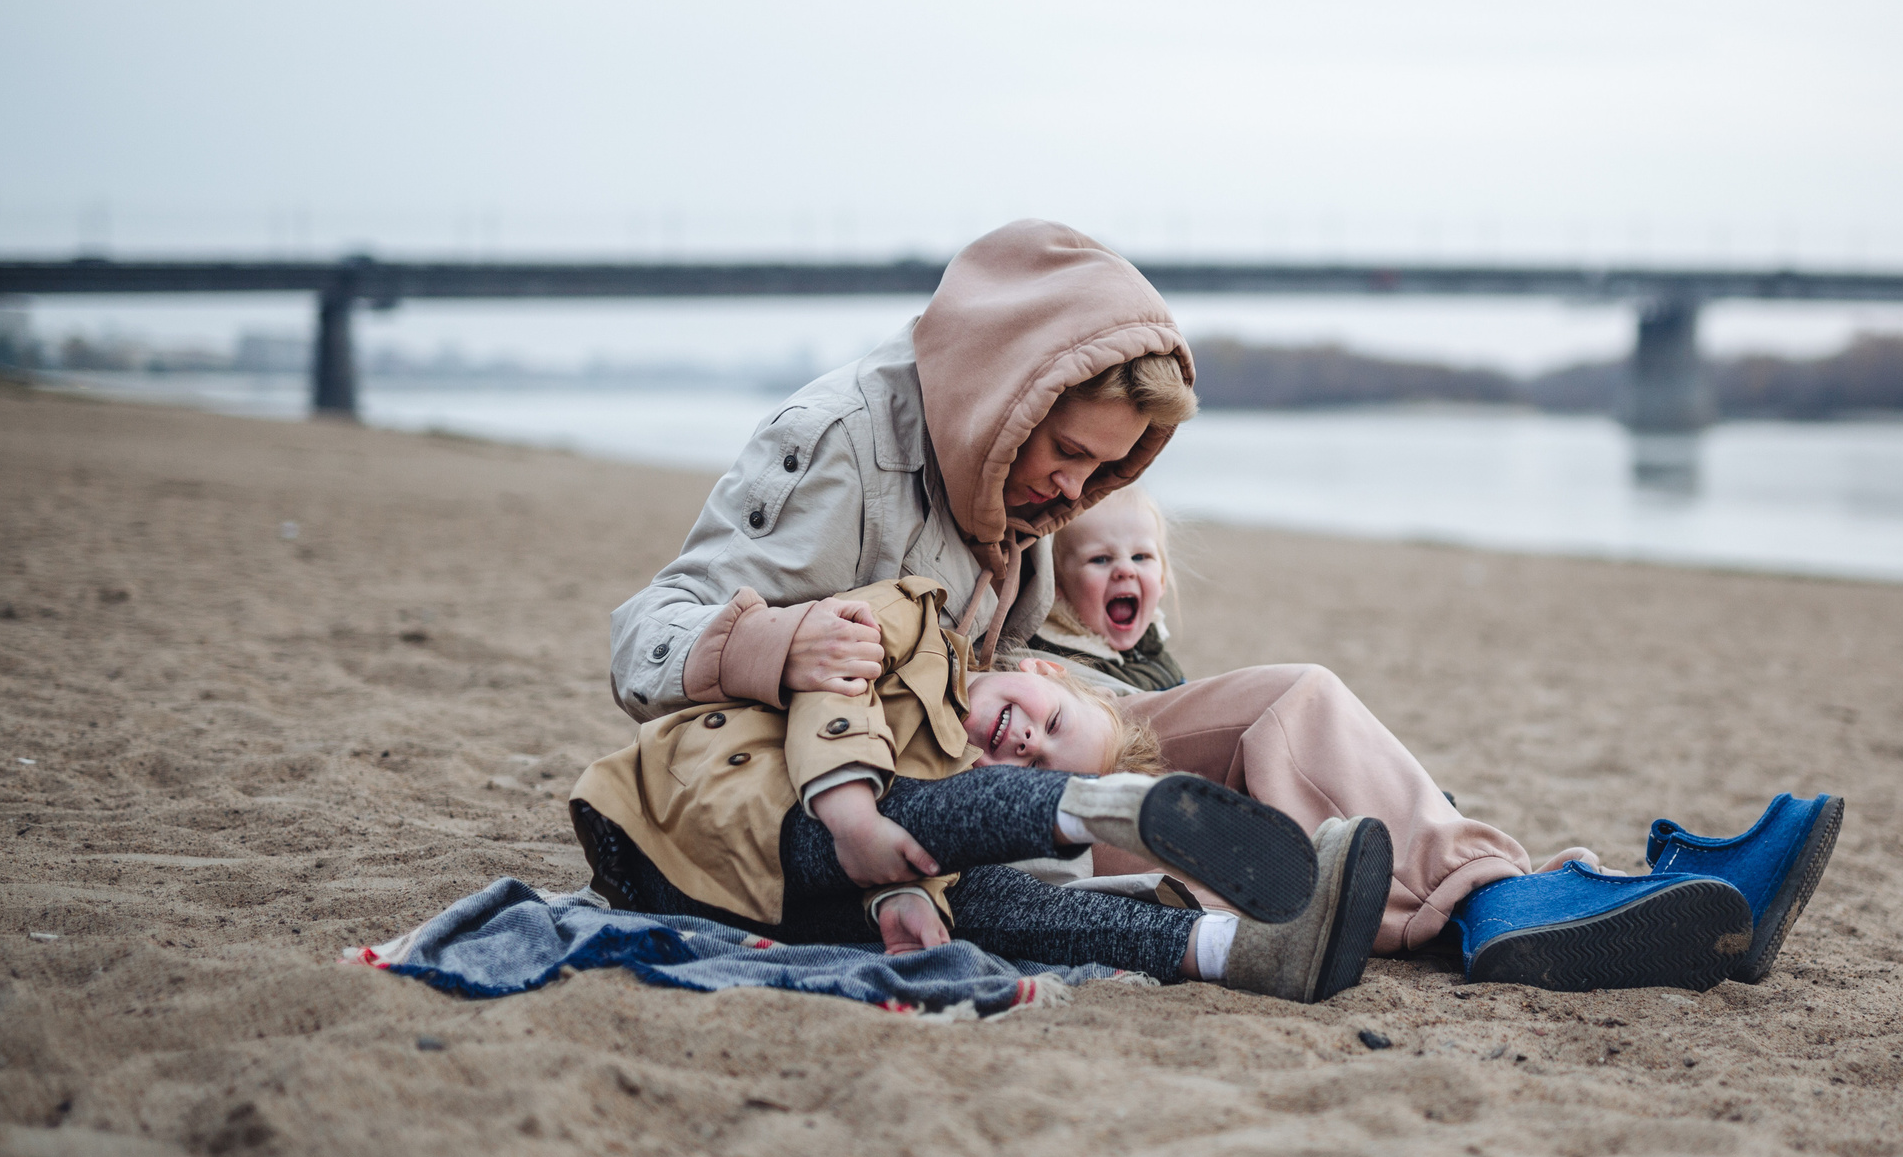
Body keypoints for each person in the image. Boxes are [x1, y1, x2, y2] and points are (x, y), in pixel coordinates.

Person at [609, 218, 1805, 992]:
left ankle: (1507, 895)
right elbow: (644, 640)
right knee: (1114, 810)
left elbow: (1003, 641)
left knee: (1288, 703)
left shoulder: (1022, 487)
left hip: (993, 729)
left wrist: (1080, 667)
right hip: (853, 786)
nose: (1069, 492)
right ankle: (1456, 907)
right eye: (1065, 455)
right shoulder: (835, 442)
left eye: (1101, 473)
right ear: (1003, 389)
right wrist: (776, 643)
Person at [574, 575, 1392, 1003]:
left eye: (1042, 766)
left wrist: (900, 893)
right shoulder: (916, 624)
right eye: (1052, 725)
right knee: (932, 829)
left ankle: (1236, 950)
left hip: (745, 896)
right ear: (1038, 670)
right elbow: (833, 686)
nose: (1028, 743)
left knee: (1000, 905)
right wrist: (854, 816)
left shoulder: (945, 794)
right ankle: (1107, 813)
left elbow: (908, 850)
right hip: (697, 809)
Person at [1020, 483, 1186, 692]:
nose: (1126, 569)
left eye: (1140, 557)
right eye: (1100, 559)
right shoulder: (1059, 664)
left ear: (1162, 579)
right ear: (1057, 584)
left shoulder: (1151, 644)